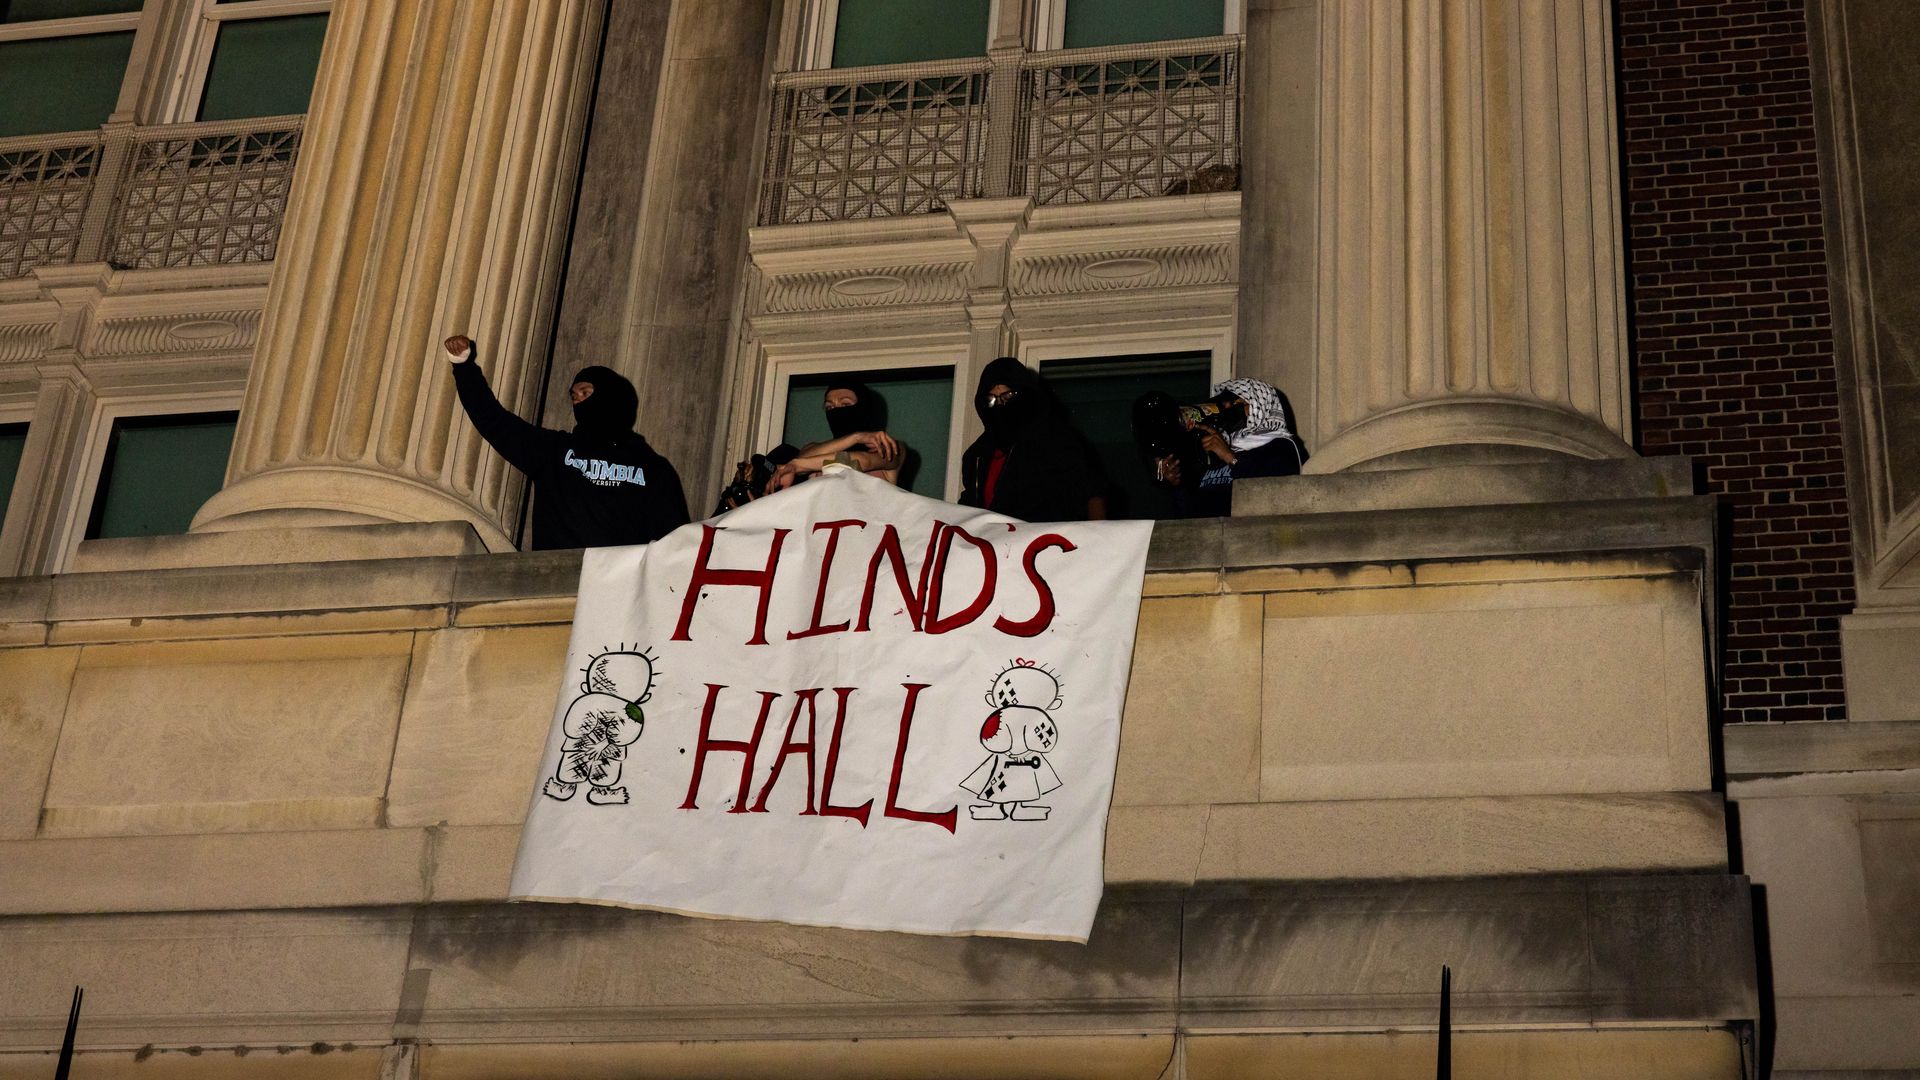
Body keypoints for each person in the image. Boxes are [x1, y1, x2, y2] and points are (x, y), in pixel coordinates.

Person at [444, 334, 689, 549]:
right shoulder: (555, 451)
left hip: (621, 588)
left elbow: (675, 541)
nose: (578, 401)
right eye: (574, 395)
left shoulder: (653, 468)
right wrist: (464, 367)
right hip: (556, 585)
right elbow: (495, 422)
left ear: (610, 397)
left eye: (586, 393)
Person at [1135, 376, 1308, 517]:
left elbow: (1277, 496)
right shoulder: (1212, 449)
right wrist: (1175, 484)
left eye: (1238, 403)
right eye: (1226, 402)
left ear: (1261, 405)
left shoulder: (1282, 446)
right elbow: (1189, 513)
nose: (1229, 407)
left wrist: (1231, 458)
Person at [958, 357, 1103, 522]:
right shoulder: (977, 456)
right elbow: (967, 511)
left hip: (1045, 543)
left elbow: (1091, 494)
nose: (1000, 405)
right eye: (991, 399)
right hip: (996, 544)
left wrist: (1098, 542)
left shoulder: (1055, 442)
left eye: (1008, 396)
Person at [764, 379, 907, 494]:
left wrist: (798, 466)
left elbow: (862, 460)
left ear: (864, 408)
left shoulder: (892, 447)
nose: (836, 412)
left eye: (845, 404)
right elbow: (802, 457)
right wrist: (856, 437)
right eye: (829, 407)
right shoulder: (814, 448)